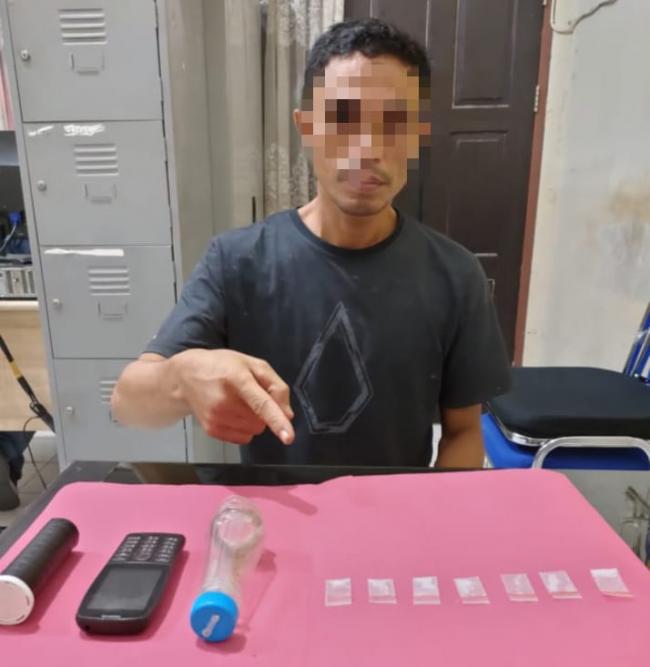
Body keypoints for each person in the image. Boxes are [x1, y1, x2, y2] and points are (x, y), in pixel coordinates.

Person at [112, 18, 510, 469]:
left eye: (394, 123)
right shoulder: (239, 261)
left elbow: (463, 431)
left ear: (418, 135)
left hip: (397, 510)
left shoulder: (455, 275)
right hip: (275, 510)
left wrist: (432, 508)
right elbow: (128, 402)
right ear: (306, 127)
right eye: (342, 119)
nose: (367, 148)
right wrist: (182, 378)